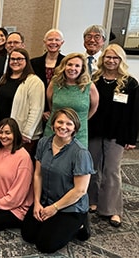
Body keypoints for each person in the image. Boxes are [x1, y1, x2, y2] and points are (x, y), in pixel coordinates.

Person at [21, 108, 94, 253]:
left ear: (75, 128)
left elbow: (80, 190)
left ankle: (81, 225)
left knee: (46, 245)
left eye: (69, 124)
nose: (63, 127)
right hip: (46, 200)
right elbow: (38, 175)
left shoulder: (80, 153)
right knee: (28, 235)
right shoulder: (43, 143)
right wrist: (37, 203)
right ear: (53, 124)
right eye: (59, 122)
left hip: (70, 206)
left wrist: (54, 208)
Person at [88, 44, 139, 228]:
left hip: (117, 134)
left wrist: (131, 139)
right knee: (92, 168)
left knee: (111, 171)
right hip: (94, 130)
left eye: (115, 58)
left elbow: (134, 113)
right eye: (108, 57)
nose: (111, 61)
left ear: (121, 60)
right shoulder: (94, 79)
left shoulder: (130, 83)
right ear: (103, 59)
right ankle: (92, 200)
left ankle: (112, 209)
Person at [0, 48, 44, 156]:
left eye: (19, 59)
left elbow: (36, 109)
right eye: (12, 59)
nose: (15, 61)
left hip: (21, 135)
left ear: (26, 61)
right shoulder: (4, 78)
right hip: (3, 132)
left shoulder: (34, 81)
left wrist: (27, 133)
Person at [44, 53, 99, 147]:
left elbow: (93, 108)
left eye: (77, 66)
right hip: (54, 132)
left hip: (78, 134)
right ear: (64, 66)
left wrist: (78, 121)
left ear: (82, 69)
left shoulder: (89, 86)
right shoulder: (55, 83)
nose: (72, 68)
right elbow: (51, 104)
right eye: (69, 64)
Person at [30, 29, 66, 124]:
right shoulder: (34, 63)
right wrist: (42, 111)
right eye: (50, 39)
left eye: (57, 40)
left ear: (62, 42)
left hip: (60, 111)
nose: (53, 42)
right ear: (44, 42)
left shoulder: (67, 63)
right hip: (38, 109)